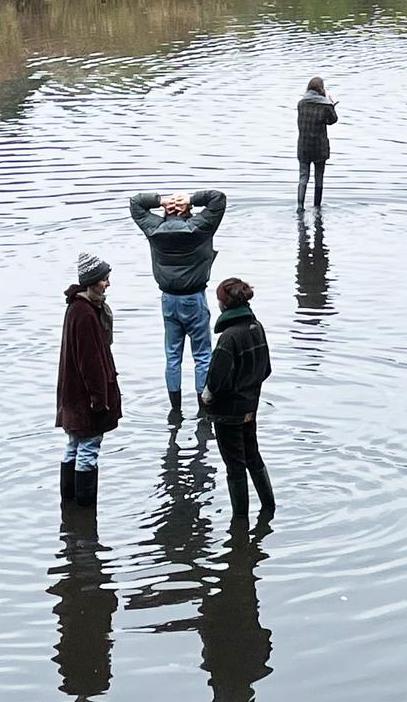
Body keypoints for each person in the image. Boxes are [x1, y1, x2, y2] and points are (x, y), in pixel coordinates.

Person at [130, 188, 228, 424]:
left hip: (168, 300)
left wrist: (161, 200)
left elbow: (135, 203)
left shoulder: (154, 229)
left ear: (165, 211)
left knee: (172, 356)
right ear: (188, 211)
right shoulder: (200, 227)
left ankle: (175, 409)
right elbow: (218, 199)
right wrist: (190, 199)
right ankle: (203, 408)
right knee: (202, 356)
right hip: (194, 298)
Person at [203, 277, 274, 530]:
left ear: (224, 304)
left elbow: (216, 382)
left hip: (228, 414)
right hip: (250, 408)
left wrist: (207, 397)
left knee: (234, 467)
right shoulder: (257, 327)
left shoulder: (228, 338)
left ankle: (240, 522)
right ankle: (269, 508)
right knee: (253, 456)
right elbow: (266, 370)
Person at [56, 252, 122, 507]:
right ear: (93, 281)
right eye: (104, 279)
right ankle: (85, 510)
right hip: (85, 399)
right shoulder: (85, 313)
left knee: (73, 445)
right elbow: (91, 362)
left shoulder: (76, 308)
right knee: (88, 448)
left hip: (71, 397)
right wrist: (99, 399)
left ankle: (71, 513)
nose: (107, 283)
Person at [296, 77, 338, 211]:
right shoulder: (325, 105)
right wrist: (331, 104)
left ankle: (300, 206)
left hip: (303, 147)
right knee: (318, 178)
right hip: (319, 148)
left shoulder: (301, 103)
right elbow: (332, 120)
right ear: (321, 89)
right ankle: (317, 207)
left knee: (303, 177)